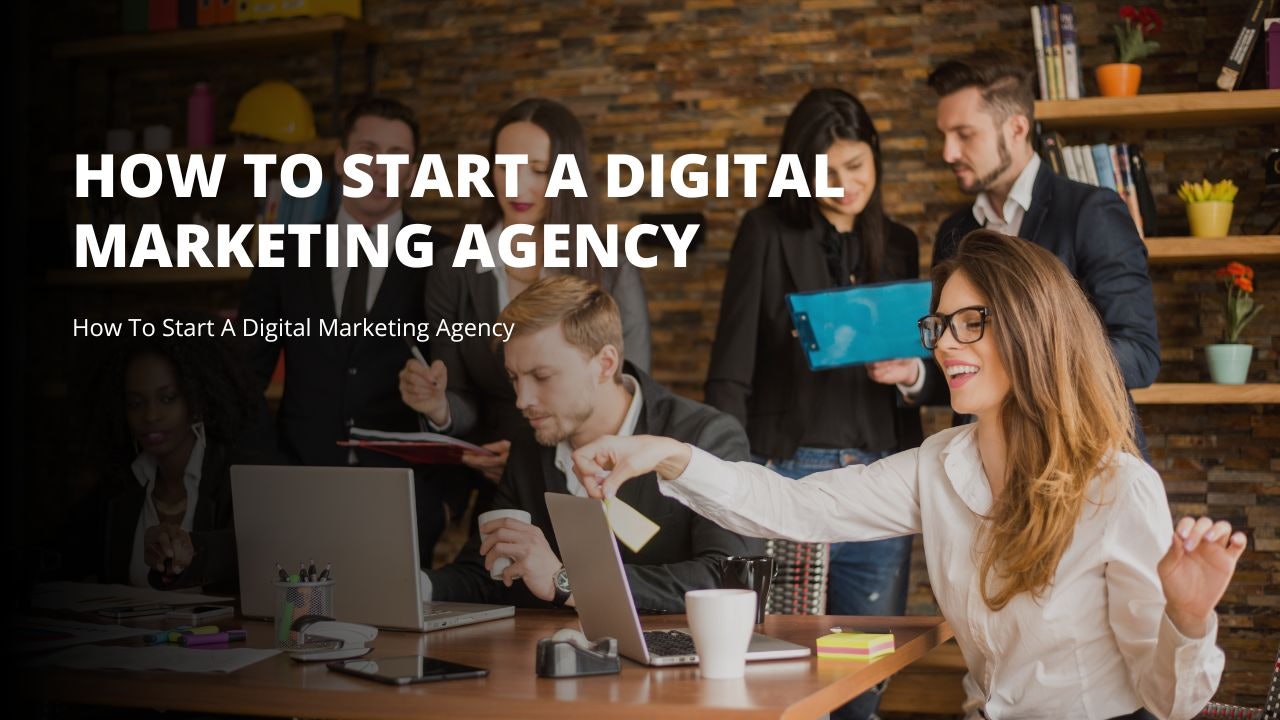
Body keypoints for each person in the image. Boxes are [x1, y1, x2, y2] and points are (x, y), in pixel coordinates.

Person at [574, 230, 1243, 720]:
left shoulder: (1118, 487)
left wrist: (1187, 618)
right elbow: (795, 508)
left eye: (971, 323)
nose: (946, 344)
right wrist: (669, 454)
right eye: (940, 326)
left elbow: (1170, 700)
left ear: (1034, 329)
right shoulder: (941, 463)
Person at [704, 87, 919, 720]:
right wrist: (729, 478)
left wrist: (911, 373)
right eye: (825, 170)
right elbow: (730, 365)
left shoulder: (901, 242)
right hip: (787, 474)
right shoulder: (765, 231)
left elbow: (934, 366)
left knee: (863, 672)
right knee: (785, 671)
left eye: (857, 167)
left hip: (881, 478)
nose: (844, 184)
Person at [876, 51, 1159, 454]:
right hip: (980, 469)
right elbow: (966, 362)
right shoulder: (954, 232)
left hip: (1080, 456)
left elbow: (1140, 355)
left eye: (964, 134)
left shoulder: (1091, 212)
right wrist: (915, 374)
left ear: (1017, 127)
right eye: (944, 135)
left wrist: (1018, 360)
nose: (948, 153)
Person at [422, 275, 760, 612]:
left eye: (542, 377)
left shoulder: (705, 436)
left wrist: (564, 580)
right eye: (514, 378)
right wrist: (417, 585)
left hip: (670, 658)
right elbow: (485, 576)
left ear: (605, 364)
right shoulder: (531, 439)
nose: (522, 400)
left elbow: (729, 580)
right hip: (544, 658)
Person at [400, 98, 651, 487]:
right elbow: (460, 398)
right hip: (494, 481)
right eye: (504, 167)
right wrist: (438, 406)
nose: (517, 185)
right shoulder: (455, 268)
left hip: (587, 477)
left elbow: (630, 390)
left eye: (538, 170)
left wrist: (541, 460)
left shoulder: (610, 267)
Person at [239, 97, 451, 557]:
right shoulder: (283, 255)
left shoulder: (445, 259)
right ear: (340, 160)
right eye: (368, 151)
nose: (380, 169)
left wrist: (441, 494)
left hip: (405, 497)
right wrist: (267, 468)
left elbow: (458, 384)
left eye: (398, 157)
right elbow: (244, 378)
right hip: (296, 487)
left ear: (413, 172)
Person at [87, 331, 269, 591]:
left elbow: (252, 555)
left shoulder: (239, 479)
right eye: (135, 403)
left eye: (167, 398)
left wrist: (189, 548)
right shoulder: (117, 485)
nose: (150, 415)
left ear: (196, 401)